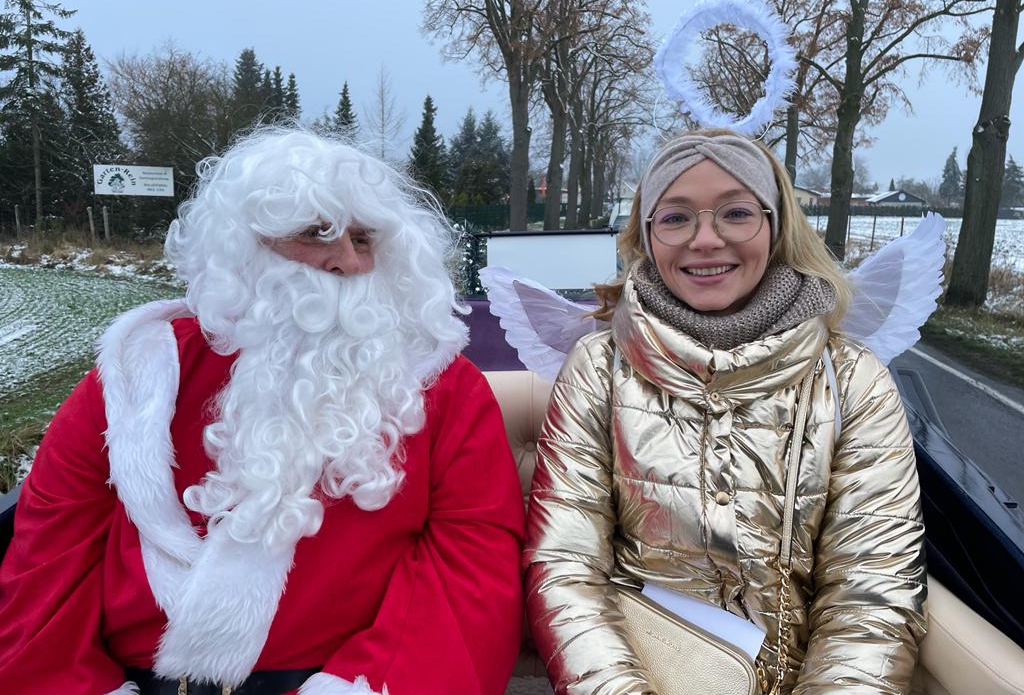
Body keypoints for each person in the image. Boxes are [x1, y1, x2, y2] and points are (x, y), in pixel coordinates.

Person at [0, 129, 525, 695]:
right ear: (244, 247)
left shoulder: (442, 387)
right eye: (315, 233)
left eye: (363, 239)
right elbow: (50, 551)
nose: (348, 262)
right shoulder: (143, 370)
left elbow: (470, 570)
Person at [524, 128, 927, 694]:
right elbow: (566, 567)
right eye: (676, 218)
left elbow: (872, 591)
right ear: (647, 236)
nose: (706, 239)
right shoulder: (598, 368)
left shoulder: (854, 380)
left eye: (736, 213)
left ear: (775, 225)